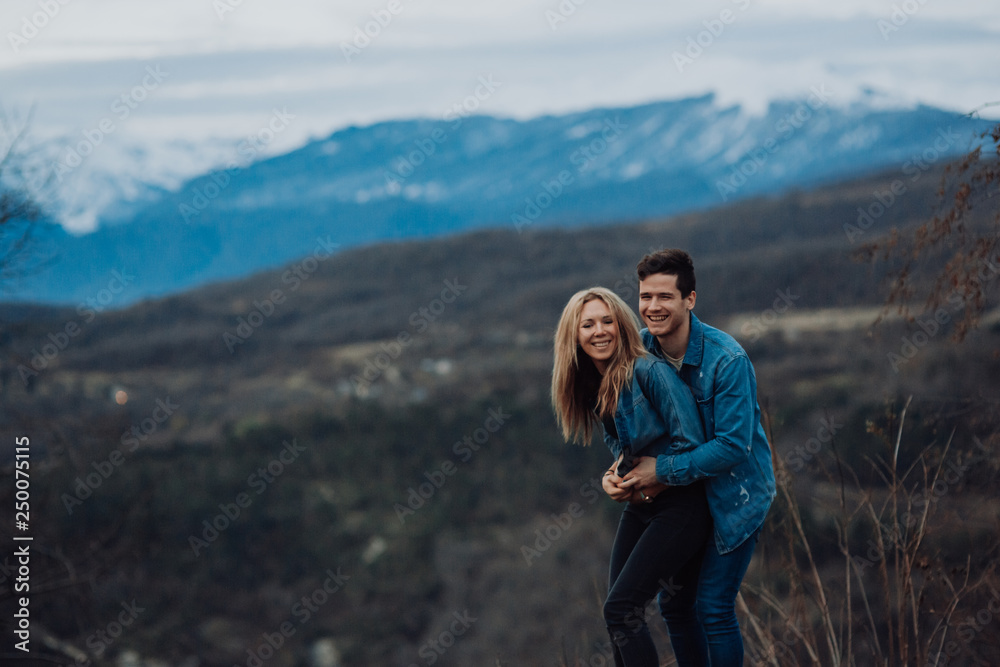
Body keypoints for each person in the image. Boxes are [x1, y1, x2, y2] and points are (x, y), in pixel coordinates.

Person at [617, 248, 776, 666]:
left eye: (665, 297)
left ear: (689, 299)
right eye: (645, 296)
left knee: (714, 608)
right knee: (674, 607)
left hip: (733, 499)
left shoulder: (727, 360)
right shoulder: (641, 354)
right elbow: (635, 428)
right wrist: (619, 472)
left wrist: (662, 470)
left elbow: (732, 446)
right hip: (684, 499)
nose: (653, 307)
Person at [551, 286, 712, 667]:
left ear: (622, 325)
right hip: (644, 506)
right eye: (587, 324)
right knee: (617, 615)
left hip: (682, 506)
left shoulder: (648, 371)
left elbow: (692, 443)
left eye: (607, 321)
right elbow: (625, 443)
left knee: (622, 609)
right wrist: (614, 474)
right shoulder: (595, 382)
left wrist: (652, 479)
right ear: (574, 335)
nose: (599, 331)